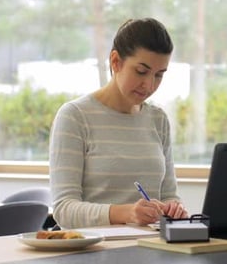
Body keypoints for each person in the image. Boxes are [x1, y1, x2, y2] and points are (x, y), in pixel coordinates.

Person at [49, 18, 188, 229]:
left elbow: (169, 196)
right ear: (116, 62)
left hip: (150, 250)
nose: (149, 85)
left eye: (159, 75)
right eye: (141, 72)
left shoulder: (158, 120)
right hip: (92, 253)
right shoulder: (75, 116)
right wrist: (126, 213)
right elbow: (64, 210)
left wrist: (173, 209)